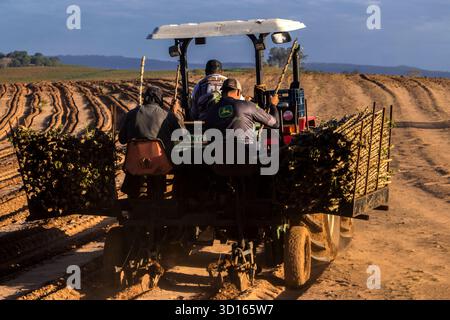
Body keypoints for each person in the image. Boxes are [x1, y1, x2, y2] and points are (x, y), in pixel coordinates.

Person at [119, 86, 182, 199]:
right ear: (160, 99)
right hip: (160, 165)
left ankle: (132, 201)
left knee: (136, 167)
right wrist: (174, 113)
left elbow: (122, 139)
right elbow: (180, 136)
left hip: (136, 165)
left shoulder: (131, 114)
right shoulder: (167, 115)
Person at [204, 78, 280, 142]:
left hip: (218, 156)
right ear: (238, 92)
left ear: (223, 92)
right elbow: (275, 123)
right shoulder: (247, 105)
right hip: (245, 155)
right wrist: (273, 105)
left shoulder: (211, 110)